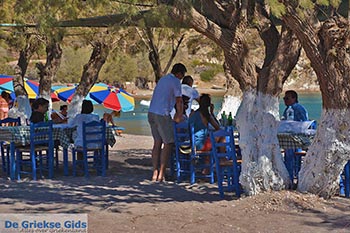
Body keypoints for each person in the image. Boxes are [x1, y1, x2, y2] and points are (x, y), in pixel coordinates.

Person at [148, 63, 187, 182]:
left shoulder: (163, 79)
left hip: (151, 112)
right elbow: (179, 100)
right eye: (182, 75)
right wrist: (179, 116)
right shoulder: (175, 82)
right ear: (179, 73)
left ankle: (154, 172)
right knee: (168, 142)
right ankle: (161, 173)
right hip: (162, 114)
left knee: (157, 142)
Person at [189, 94, 221, 174]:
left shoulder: (193, 114)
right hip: (201, 145)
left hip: (192, 144)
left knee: (209, 141)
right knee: (221, 135)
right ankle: (222, 158)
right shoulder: (206, 116)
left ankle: (206, 168)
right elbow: (218, 127)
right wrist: (212, 113)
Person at [281, 90, 309, 186]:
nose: (285, 100)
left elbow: (304, 123)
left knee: (291, 157)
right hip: (290, 138)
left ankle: (293, 178)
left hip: (298, 138)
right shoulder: (287, 109)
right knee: (289, 155)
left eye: (287, 98)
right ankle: (291, 178)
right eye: (284, 98)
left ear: (294, 98)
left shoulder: (298, 108)